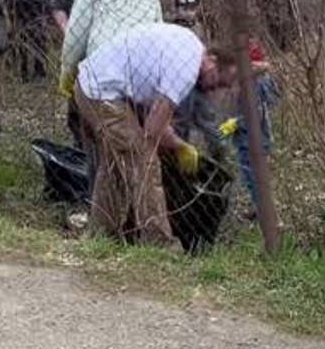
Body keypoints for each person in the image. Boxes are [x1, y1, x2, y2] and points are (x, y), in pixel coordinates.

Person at [74, 22, 237, 245]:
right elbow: (153, 131)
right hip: (101, 92)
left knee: (118, 160)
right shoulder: (185, 72)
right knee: (143, 160)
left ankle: (101, 234)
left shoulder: (189, 45)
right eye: (217, 83)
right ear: (213, 62)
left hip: (97, 82)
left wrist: (174, 142)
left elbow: (157, 118)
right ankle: (158, 243)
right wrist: (181, 146)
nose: (214, 90)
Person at [220, 37, 281, 218]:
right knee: (256, 178)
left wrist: (234, 124)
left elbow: (255, 113)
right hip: (258, 138)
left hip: (251, 140)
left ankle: (265, 214)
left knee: (254, 179)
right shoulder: (261, 81)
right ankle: (262, 210)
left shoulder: (253, 84)